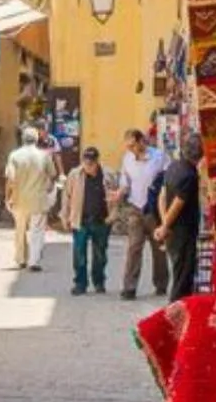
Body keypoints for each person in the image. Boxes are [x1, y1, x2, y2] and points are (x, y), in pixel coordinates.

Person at [112, 127, 169, 301]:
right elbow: (125, 182)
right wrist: (119, 193)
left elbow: (168, 181)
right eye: (128, 147)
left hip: (154, 210)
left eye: (132, 146)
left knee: (158, 248)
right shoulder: (127, 159)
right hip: (135, 208)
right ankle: (129, 288)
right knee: (133, 247)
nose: (130, 150)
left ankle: (161, 284)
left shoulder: (159, 157)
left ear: (141, 141)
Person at [155, 133, 203, 302]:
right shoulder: (190, 175)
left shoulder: (173, 167)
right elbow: (178, 202)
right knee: (182, 280)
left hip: (173, 232)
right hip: (183, 233)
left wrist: (164, 223)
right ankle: (174, 315)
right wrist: (165, 226)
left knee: (178, 273)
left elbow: (162, 195)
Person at [4, 125, 58, 272]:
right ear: (37, 139)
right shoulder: (44, 155)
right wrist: (49, 188)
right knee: (37, 230)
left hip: (19, 198)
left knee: (20, 229)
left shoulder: (14, 155)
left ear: (22, 139)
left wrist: (7, 196)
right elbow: (53, 175)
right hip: (38, 198)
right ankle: (34, 261)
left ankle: (21, 259)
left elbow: (10, 179)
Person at [63, 145, 111, 294]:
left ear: (97, 161)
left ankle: (99, 281)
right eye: (86, 162)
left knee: (100, 254)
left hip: (101, 220)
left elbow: (115, 197)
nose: (88, 166)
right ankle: (80, 283)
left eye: (91, 163)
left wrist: (113, 216)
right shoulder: (74, 174)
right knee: (79, 254)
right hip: (80, 220)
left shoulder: (107, 174)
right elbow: (66, 196)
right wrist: (65, 216)